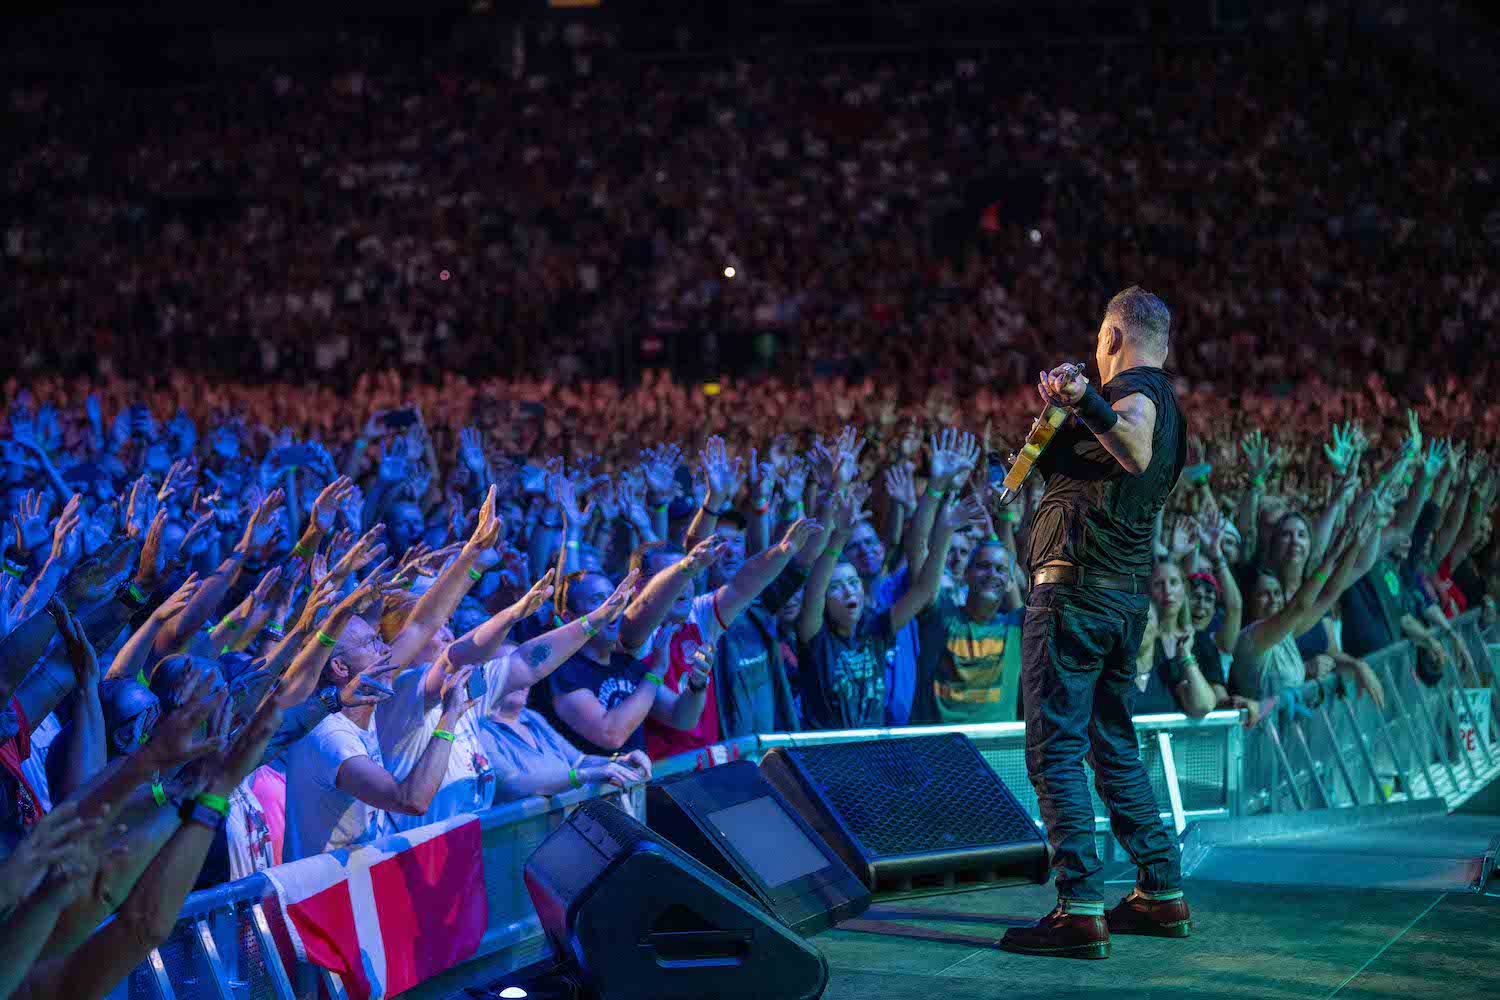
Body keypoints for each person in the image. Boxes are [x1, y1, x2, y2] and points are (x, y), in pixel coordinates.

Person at [1001, 287, 1190, 960]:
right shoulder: (1162, 402)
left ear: (1112, 336)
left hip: (1076, 594)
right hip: (1119, 597)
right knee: (1110, 741)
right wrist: (1062, 413)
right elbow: (1031, 470)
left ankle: (1079, 906)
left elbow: (1132, 448)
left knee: (1055, 748)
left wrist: (1085, 399)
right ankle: (1160, 890)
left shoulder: (1136, 392)